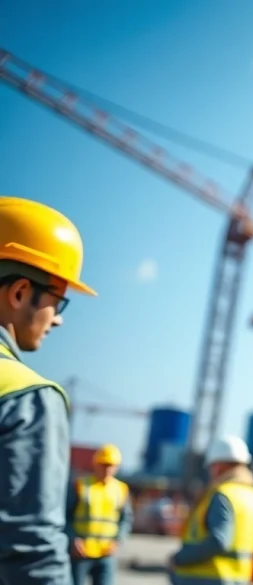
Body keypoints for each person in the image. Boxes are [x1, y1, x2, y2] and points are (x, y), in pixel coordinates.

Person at [0, 196, 97, 585]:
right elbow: (31, 552)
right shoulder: (27, 394)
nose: (57, 320)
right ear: (20, 292)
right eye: (58, 304)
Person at [170, 435, 253, 585]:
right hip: (238, 579)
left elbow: (219, 541)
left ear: (218, 466)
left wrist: (180, 558)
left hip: (206, 579)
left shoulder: (222, 495)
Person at [67, 444, 133, 585]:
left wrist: (118, 540)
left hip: (106, 552)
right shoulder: (80, 485)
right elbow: (66, 516)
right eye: (104, 465)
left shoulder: (121, 489)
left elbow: (126, 519)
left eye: (111, 465)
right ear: (96, 464)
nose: (107, 469)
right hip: (81, 551)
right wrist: (73, 539)